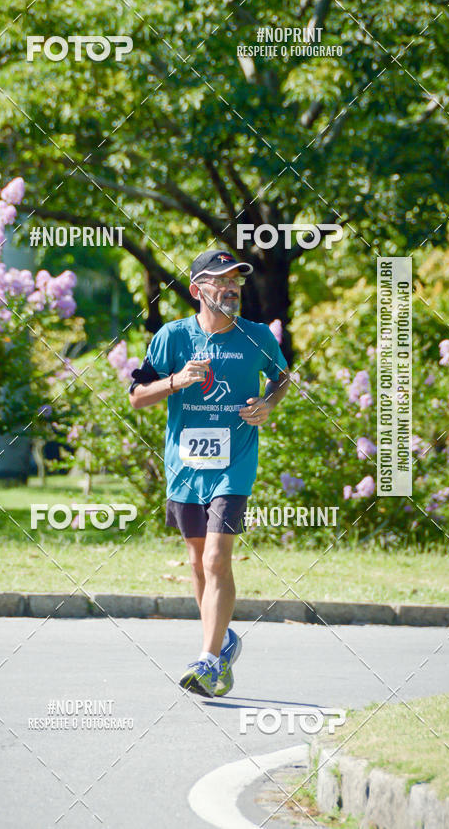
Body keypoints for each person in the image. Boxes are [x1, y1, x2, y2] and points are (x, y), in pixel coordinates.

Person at [128, 250, 290, 697]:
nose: (233, 288)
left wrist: (268, 404)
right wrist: (177, 380)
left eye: (237, 281)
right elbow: (137, 395)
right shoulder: (172, 337)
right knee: (198, 562)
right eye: (222, 281)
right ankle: (219, 647)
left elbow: (281, 377)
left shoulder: (256, 337)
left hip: (233, 465)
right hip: (185, 467)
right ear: (198, 290)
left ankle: (207, 661)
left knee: (218, 558)